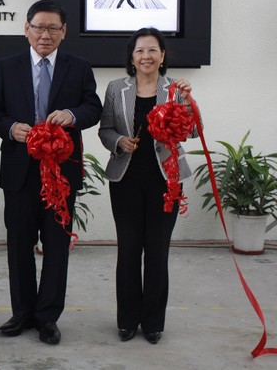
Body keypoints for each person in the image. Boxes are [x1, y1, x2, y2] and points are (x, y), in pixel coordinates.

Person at [0, 0, 101, 345]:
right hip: (19, 169)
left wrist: (72, 115)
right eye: (38, 27)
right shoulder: (7, 66)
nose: (44, 34)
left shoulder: (79, 67)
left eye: (52, 28)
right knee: (19, 245)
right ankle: (22, 313)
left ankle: (48, 317)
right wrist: (11, 128)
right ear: (26, 29)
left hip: (61, 171)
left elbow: (92, 107)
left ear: (63, 32)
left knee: (56, 245)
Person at [98, 27, 195, 345]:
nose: (146, 56)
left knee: (157, 252)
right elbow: (105, 129)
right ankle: (126, 321)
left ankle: (153, 323)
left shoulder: (176, 90)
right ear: (131, 56)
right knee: (128, 251)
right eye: (140, 50)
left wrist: (190, 101)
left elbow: (193, 131)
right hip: (125, 180)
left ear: (163, 56)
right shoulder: (116, 88)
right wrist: (119, 142)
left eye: (153, 50)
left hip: (166, 181)